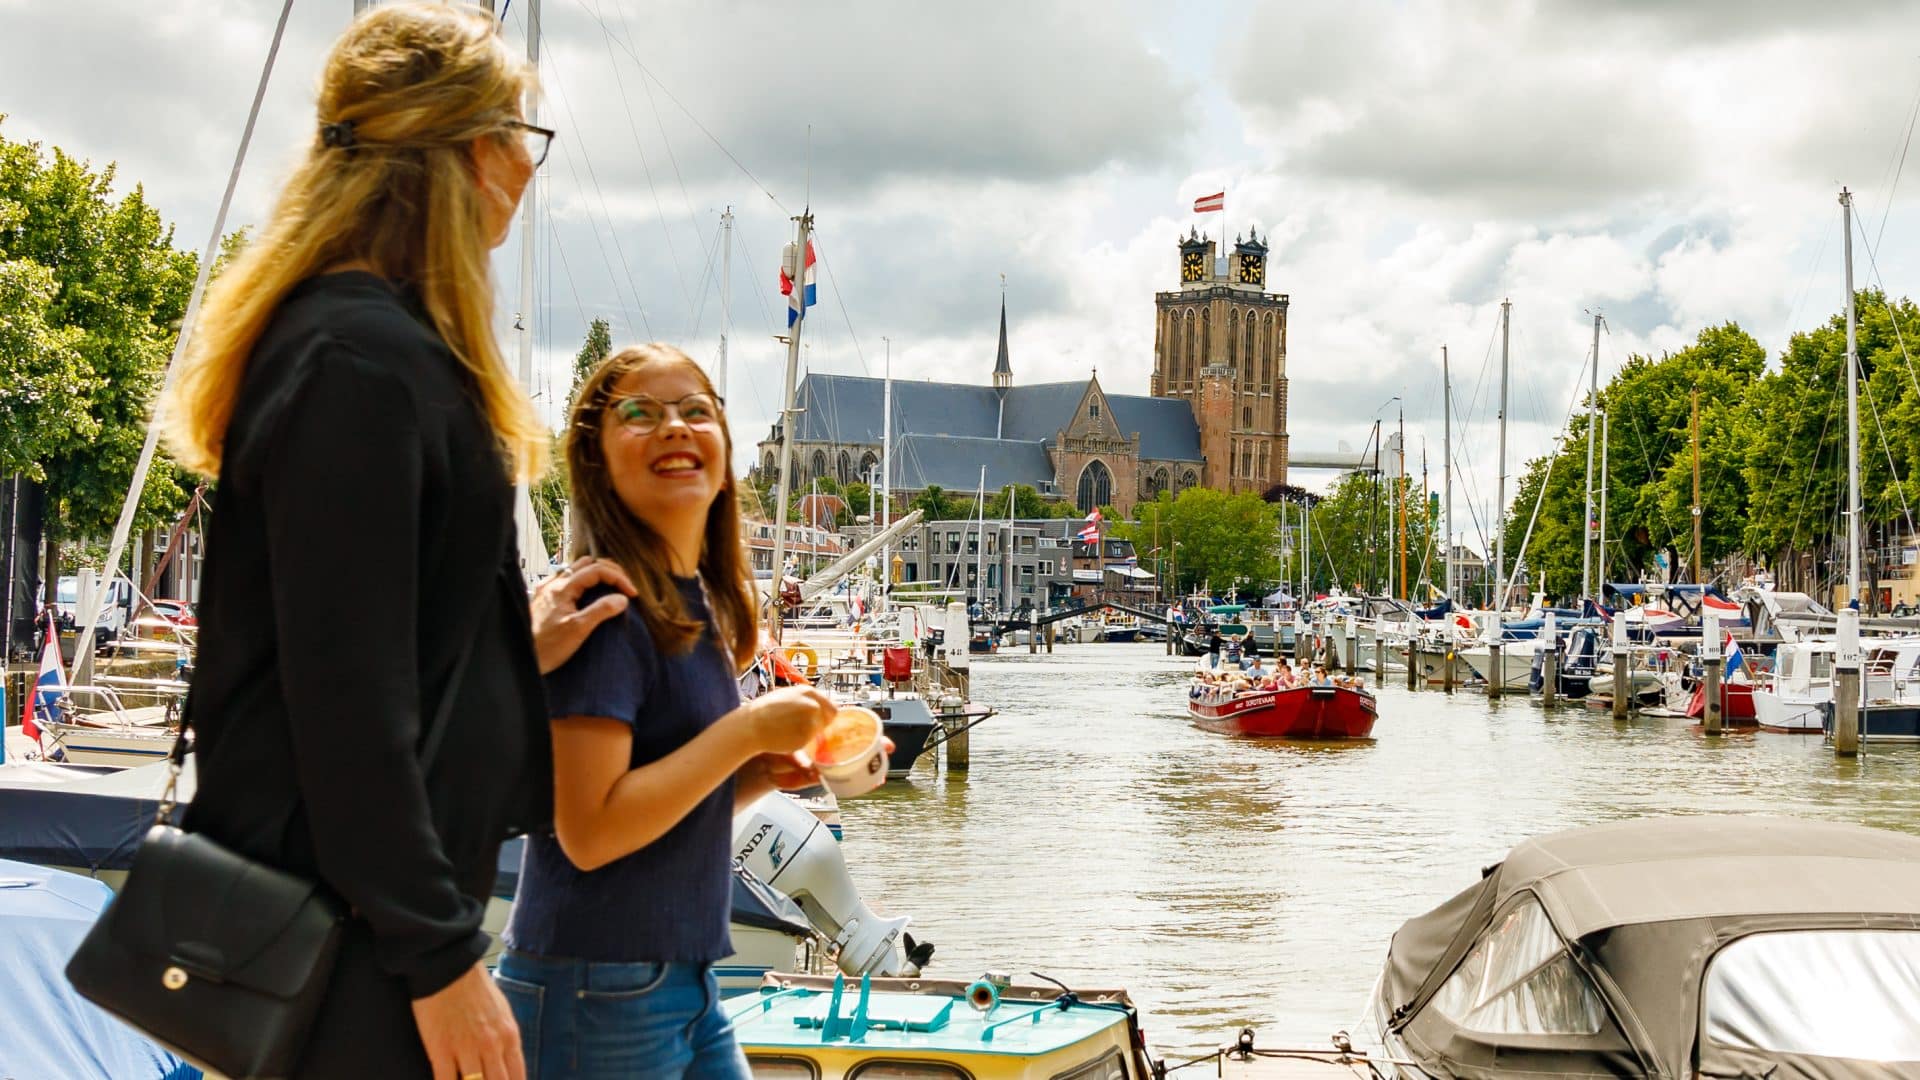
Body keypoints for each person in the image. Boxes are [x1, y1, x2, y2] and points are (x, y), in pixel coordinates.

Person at [159, 8, 626, 1078]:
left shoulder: (362, 348)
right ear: (456, 153)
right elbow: (344, 706)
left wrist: (505, 643)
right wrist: (441, 963)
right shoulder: (361, 365)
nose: (527, 165)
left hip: (354, 934)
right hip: (351, 954)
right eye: (519, 133)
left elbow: (366, 645)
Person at [497, 345, 837, 1079]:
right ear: (595, 456)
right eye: (639, 414)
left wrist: (759, 775)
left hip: (682, 982)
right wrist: (744, 732)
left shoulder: (692, 602)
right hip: (594, 984)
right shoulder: (606, 605)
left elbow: (669, 795)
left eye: (696, 411)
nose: (675, 427)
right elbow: (589, 832)